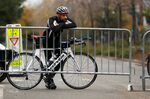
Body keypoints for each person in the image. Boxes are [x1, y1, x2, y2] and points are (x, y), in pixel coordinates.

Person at [42, 6, 77, 89]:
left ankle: (49, 78)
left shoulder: (64, 20)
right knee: (49, 61)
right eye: (63, 15)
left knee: (59, 61)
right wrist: (64, 24)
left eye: (66, 15)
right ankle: (49, 81)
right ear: (58, 14)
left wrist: (61, 24)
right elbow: (54, 29)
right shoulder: (51, 19)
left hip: (56, 42)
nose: (65, 17)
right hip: (47, 41)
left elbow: (74, 24)